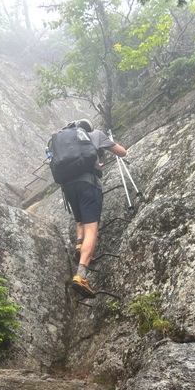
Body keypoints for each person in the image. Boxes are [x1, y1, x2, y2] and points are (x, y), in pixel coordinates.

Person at [62, 118, 127, 298]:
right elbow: (122, 153)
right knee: (92, 228)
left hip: (68, 187)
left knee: (80, 220)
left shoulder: (68, 143)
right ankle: (81, 275)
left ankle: (79, 244)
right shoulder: (95, 135)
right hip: (88, 184)